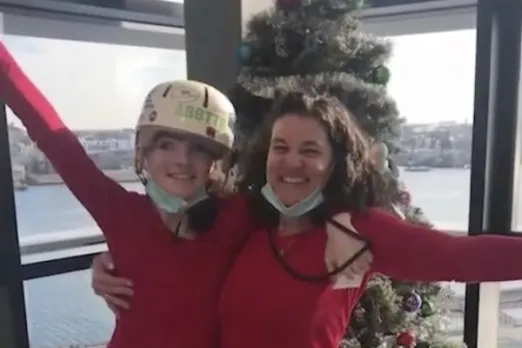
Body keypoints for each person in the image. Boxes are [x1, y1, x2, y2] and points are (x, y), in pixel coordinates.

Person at [0, 42, 369, 348]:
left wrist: (342, 223)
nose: (181, 160)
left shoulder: (240, 216)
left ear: (216, 161)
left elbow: (310, 193)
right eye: (165, 144)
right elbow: (51, 135)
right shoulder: (119, 212)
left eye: (198, 148)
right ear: (143, 151)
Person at [95, 91, 522, 348]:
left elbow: (457, 257)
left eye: (311, 151)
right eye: (281, 147)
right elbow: (172, 243)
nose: (291, 162)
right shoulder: (247, 220)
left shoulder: (354, 231)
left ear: (336, 164)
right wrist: (105, 265)